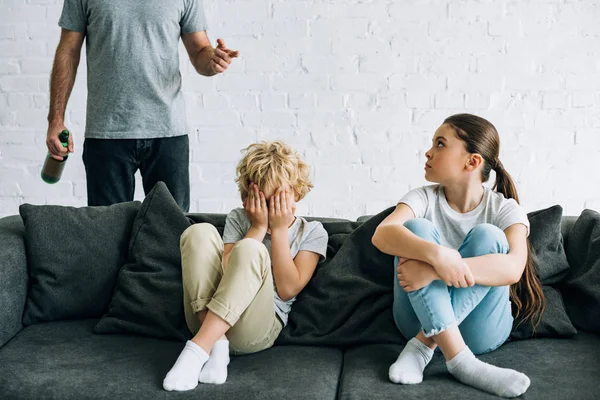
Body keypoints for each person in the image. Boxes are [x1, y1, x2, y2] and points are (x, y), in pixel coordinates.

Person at [372, 113, 545, 398]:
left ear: (472, 161)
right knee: (415, 229)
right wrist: (437, 256)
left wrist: (434, 270)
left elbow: (514, 268)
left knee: (489, 237)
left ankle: (423, 347)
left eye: (440, 144)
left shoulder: (505, 209)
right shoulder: (423, 197)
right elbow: (382, 234)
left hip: (481, 330)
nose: (428, 151)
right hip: (414, 318)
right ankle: (460, 361)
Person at [163, 140, 329, 391]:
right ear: (248, 196)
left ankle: (197, 350)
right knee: (198, 232)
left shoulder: (312, 232)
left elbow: (287, 290)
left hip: (256, 328)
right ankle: (215, 343)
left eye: (279, 199)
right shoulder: (239, 219)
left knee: (251, 249)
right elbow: (226, 270)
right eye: (264, 199)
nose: (272, 207)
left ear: (296, 193)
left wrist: (279, 230)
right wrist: (258, 227)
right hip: (204, 314)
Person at [46, 0, 238, 211]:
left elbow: (200, 50)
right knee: (107, 234)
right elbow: (68, 51)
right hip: (106, 133)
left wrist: (214, 60)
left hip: (168, 131)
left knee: (172, 233)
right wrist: (56, 120)